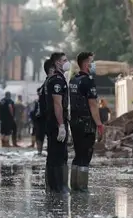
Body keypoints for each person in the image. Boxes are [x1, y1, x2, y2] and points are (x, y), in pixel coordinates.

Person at [68, 51, 102, 192]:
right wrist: (99, 124)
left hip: (74, 121)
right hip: (87, 122)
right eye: (92, 62)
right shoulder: (88, 81)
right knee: (85, 155)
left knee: (78, 154)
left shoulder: (73, 80)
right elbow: (93, 104)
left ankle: (74, 185)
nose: (93, 64)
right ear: (86, 64)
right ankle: (82, 186)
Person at [44, 51, 71, 193]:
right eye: (64, 60)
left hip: (51, 121)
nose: (67, 62)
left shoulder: (52, 79)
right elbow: (57, 104)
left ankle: (53, 186)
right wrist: (61, 125)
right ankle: (59, 186)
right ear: (57, 62)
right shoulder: (57, 81)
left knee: (54, 154)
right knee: (59, 154)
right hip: (56, 122)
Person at [32, 59, 53, 156]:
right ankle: (41, 151)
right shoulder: (49, 83)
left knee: (41, 135)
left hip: (42, 115)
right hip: (45, 115)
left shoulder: (46, 83)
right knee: (43, 135)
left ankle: (40, 151)